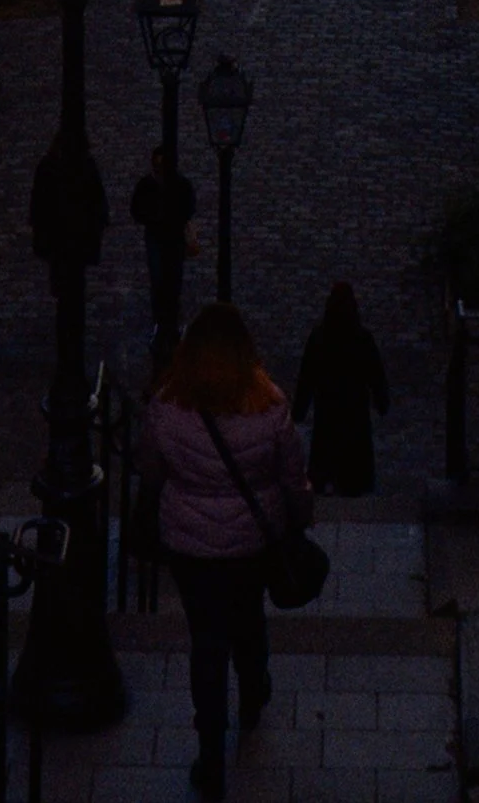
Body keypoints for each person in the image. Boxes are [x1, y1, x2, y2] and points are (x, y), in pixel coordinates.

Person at [135, 302, 313, 797]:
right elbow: (291, 476)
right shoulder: (269, 405)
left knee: (205, 640)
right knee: (248, 618)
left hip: (190, 544)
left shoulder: (167, 408)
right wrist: (300, 516)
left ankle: (210, 753)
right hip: (252, 543)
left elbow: (150, 470)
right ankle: (254, 688)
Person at [292, 280, 388, 495]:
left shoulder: (319, 337)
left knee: (325, 464)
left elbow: (306, 377)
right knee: (353, 474)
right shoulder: (362, 338)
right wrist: (382, 402)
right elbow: (376, 375)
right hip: (355, 413)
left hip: (327, 411)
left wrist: (298, 410)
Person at [130, 142, 198, 351]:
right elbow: (136, 210)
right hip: (160, 236)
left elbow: (188, 206)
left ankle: (168, 322)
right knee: (161, 280)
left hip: (168, 236)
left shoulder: (172, 185)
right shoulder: (161, 185)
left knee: (170, 280)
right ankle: (164, 322)